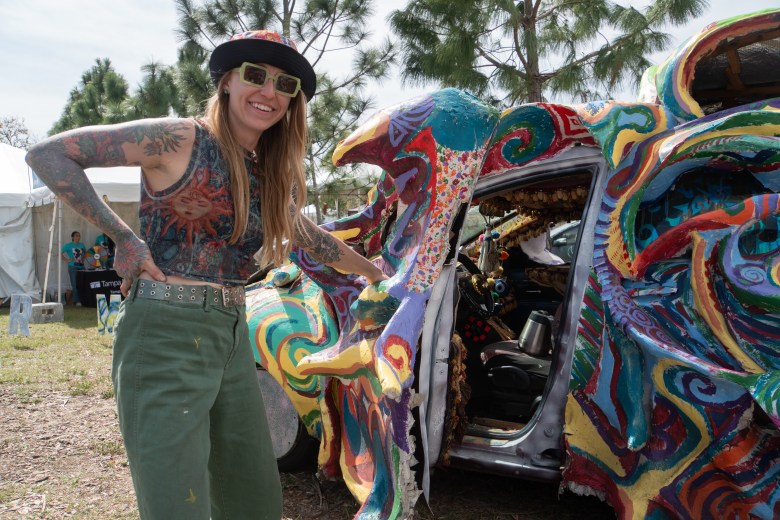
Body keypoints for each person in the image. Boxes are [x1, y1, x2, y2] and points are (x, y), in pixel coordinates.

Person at [26, 29, 386, 520]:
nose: (269, 92)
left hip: (233, 337)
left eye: (285, 85)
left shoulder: (263, 171)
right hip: (166, 332)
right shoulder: (179, 138)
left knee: (254, 501)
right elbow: (48, 154)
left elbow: (306, 234)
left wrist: (376, 276)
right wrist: (123, 237)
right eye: (255, 76)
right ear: (226, 83)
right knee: (178, 505)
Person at [61, 230, 86, 305]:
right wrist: (67, 260)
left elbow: (85, 252)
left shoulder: (82, 245)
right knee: (74, 284)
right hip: (73, 267)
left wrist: (83, 258)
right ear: (72, 237)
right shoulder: (68, 245)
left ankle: (83, 299)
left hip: (81, 267)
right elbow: (60, 253)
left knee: (82, 283)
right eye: (76, 236)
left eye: (79, 236)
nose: (78, 237)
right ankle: (77, 301)